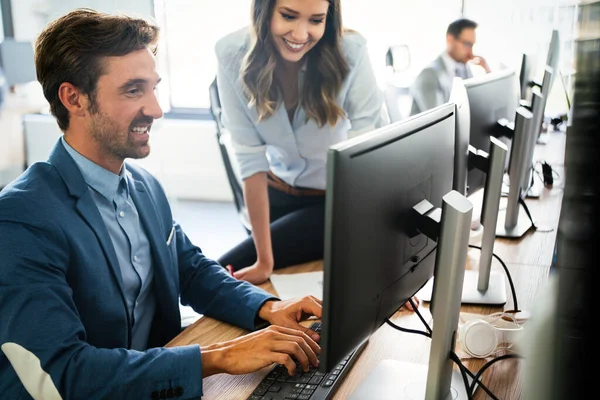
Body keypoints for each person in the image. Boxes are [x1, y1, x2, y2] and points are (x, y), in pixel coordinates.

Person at [0, 9, 324, 399]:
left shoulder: (142, 185)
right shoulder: (21, 220)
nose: (156, 108)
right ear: (74, 98)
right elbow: (63, 373)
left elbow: (190, 271)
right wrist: (218, 356)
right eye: (134, 90)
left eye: (154, 87)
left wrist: (267, 308)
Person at [215, 0, 390, 285]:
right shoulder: (231, 54)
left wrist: (382, 262)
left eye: (316, 20)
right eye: (288, 16)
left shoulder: (351, 51)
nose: (300, 34)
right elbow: (251, 162)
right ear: (264, 10)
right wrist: (264, 261)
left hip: (337, 201)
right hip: (277, 193)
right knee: (221, 276)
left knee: (226, 273)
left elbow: (365, 158)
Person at [410, 18, 491, 116]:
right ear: (450, 39)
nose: (471, 52)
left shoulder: (463, 68)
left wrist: (487, 70)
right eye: (467, 44)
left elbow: (475, 103)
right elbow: (438, 120)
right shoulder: (429, 75)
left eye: (472, 45)